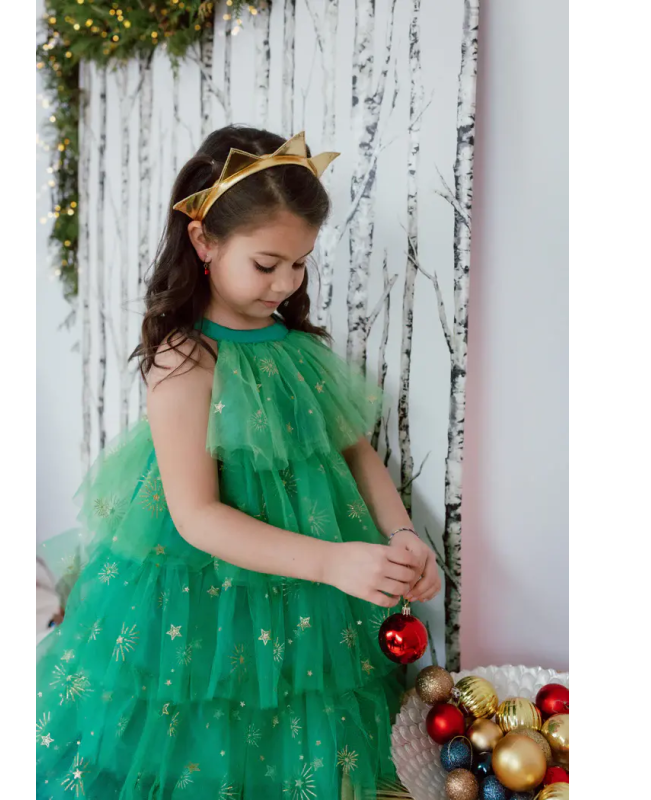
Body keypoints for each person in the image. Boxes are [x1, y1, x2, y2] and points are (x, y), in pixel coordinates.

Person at [36, 126, 441, 799]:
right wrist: (333, 560)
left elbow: (355, 451)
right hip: (204, 586)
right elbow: (196, 516)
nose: (286, 282)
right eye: (267, 263)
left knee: (297, 708)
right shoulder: (186, 359)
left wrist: (401, 534)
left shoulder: (296, 345)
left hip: (314, 592)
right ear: (204, 242)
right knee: (206, 720)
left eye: (301, 263)